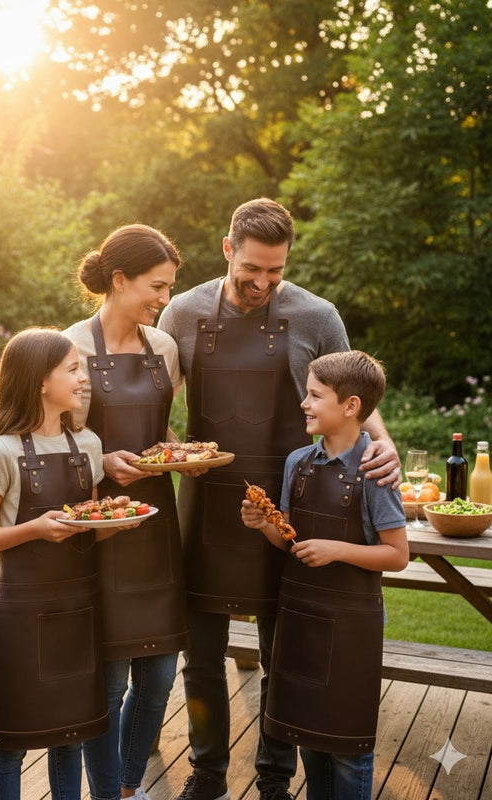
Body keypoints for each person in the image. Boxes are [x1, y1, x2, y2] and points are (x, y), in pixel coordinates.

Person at [157, 198, 401, 800]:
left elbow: (353, 399)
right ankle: (209, 772)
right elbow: (155, 409)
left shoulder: (317, 316)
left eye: (276, 271)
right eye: (252, 270)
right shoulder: (182, 313)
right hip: (206, 503)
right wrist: (169, 450)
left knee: (282, 655)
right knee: (202, 656)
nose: (263, 283)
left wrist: (386, 446)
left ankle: (273, 777)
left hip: (291, 506)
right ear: (227, 250)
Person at [241, 350, 409, 800]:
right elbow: (290, 540)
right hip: (300, 616)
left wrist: (337, 550)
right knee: (308, 733)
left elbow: (397, 555)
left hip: (351, 625)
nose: (305, 403)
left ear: (350, 406)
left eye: (315, 395)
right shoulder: (298, 462)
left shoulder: (374, 472)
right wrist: (264, 525)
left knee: (348, 744)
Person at [63, 224, 192, 800]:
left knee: (161, 676)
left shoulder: (162, 347)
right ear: (119, 281)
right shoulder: (70, 349)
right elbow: (51, 444)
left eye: (169, 289)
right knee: (110, 681)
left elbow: (159, 430)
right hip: (101, 529)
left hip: (158, 523)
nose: (164, 301)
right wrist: (99, 461)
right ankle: (111, 791)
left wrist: (181, 453)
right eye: (156, 287)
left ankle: (126, 786)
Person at [0, 327, 109, 800]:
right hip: (22, 612)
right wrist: (34, 529)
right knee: (11, 739)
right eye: (72, 369)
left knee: (70, 734)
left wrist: (115, 523)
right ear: (40, 382)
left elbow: (86, 520)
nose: (83, 378)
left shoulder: (86, 444)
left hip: (78, 606)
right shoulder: (3, 451)